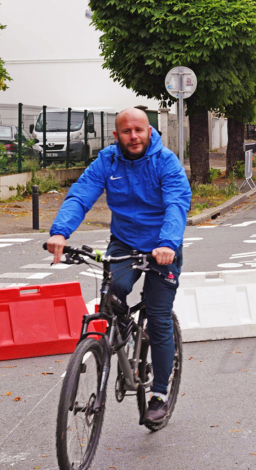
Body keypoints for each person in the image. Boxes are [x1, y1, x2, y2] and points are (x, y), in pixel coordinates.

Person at [46, 108, 191, 423]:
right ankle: (121, 323)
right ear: (116, 135)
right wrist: (60, 232)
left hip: (162, 247)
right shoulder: (107, 161)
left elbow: (177, 203)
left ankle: (159, 395)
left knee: (158, 317)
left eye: (139, 130)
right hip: (124, 243)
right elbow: (81, 195)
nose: (133, 136)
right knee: (115, 293)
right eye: (126, 132)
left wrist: (167, 243)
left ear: (149, 131)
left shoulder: (166, 162)